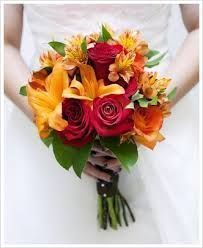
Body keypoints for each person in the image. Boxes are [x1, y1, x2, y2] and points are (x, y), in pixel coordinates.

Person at [4, 4, 199, 244]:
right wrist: (56, 125)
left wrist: (148, 107)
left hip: (161, 119)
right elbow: (5, 43)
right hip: (47, 129)